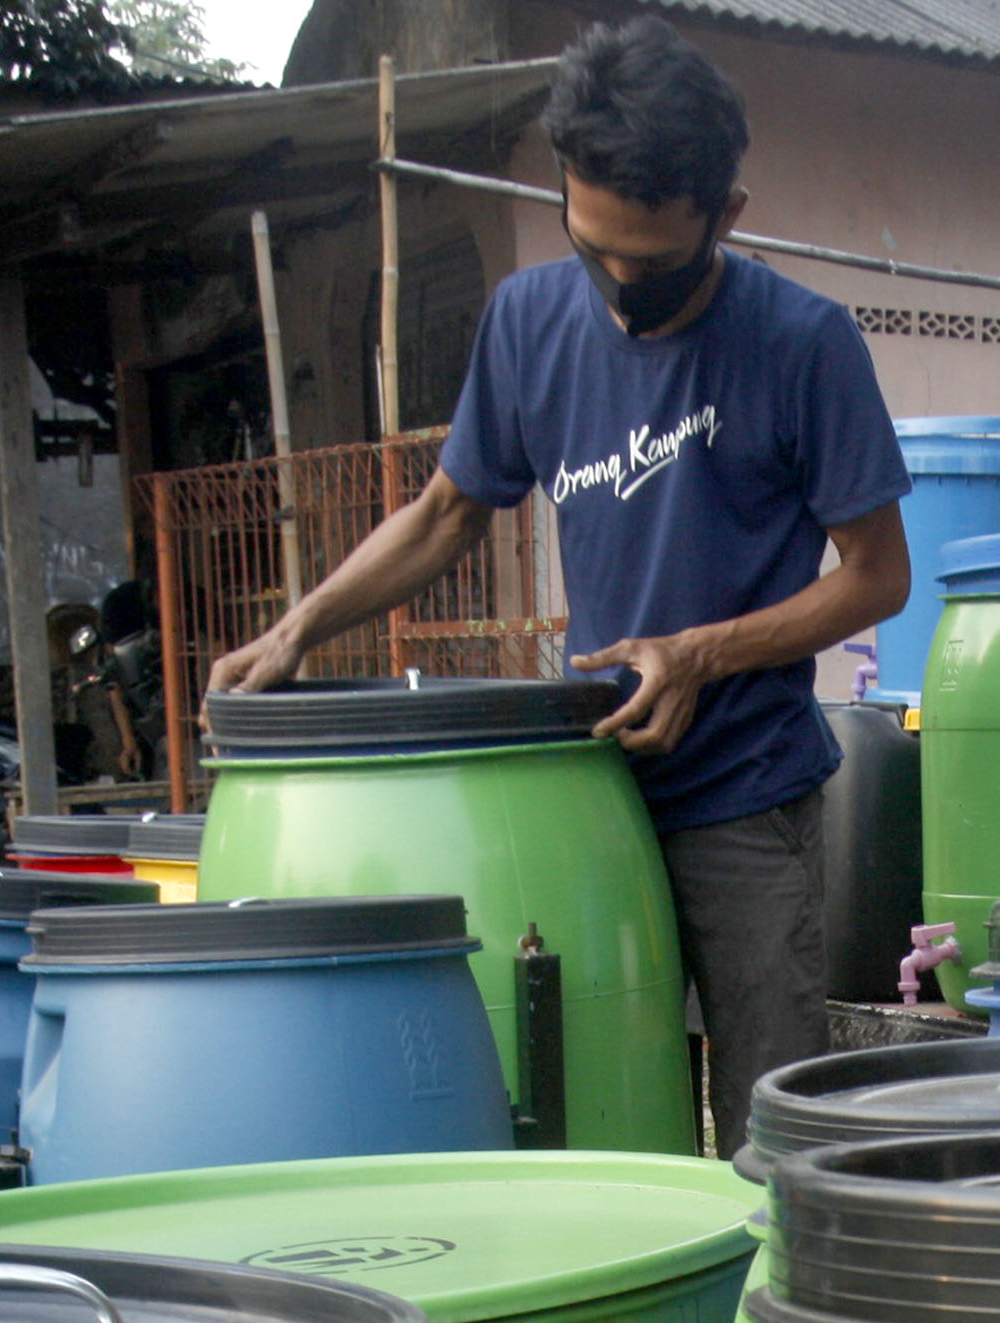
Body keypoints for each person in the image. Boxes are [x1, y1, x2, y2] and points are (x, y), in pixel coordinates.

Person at [209, 16, 911, 1151]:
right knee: (597, 1116)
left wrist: (702, 653)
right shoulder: (528, 321)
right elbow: (447, 511)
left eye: (654, 263)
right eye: (595, 250)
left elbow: (877, 577)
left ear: (726, 216)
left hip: (746, 797)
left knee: (771, 1137)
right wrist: (303, 625)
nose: (622, 286)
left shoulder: (802, 343)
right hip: (584, 800)